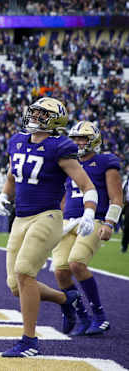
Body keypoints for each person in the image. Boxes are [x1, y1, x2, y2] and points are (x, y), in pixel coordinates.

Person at [0, 98, 97, 358]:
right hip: (20, 218)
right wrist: (4, 196)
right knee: (15, 285)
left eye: (41, 113)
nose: (34, 116)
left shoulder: (59, 146)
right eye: (35, 111)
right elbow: (11, 175)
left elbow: (87, 186)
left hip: (47, 216)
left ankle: (29, 341)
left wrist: (89, 212)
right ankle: (67, 299)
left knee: (24, 273)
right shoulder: (17, 140)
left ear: (54, 120)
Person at [52, 122, 123, 336]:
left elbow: (117, 197)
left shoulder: (105, 162)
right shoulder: (67, 162)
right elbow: (64, 196)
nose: (78, 142)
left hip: (94, 219)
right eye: (75, 138)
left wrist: (110, 223)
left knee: (76, 263)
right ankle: (81, 316)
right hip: (68, 221)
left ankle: (99, 316)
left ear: (94, 140)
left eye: (82, 138)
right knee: (60, 271)